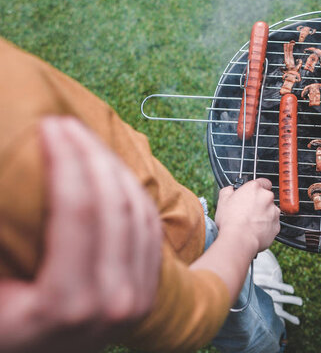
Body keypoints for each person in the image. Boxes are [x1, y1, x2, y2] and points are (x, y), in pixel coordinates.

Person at [0, 37, 302, 352]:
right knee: (247, 321)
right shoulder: (15, 169)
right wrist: (241, 237)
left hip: (162, 218)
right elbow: (176, 315)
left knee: (220, 261)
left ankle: (237, 273)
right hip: (177, 257)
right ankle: (266, 332)